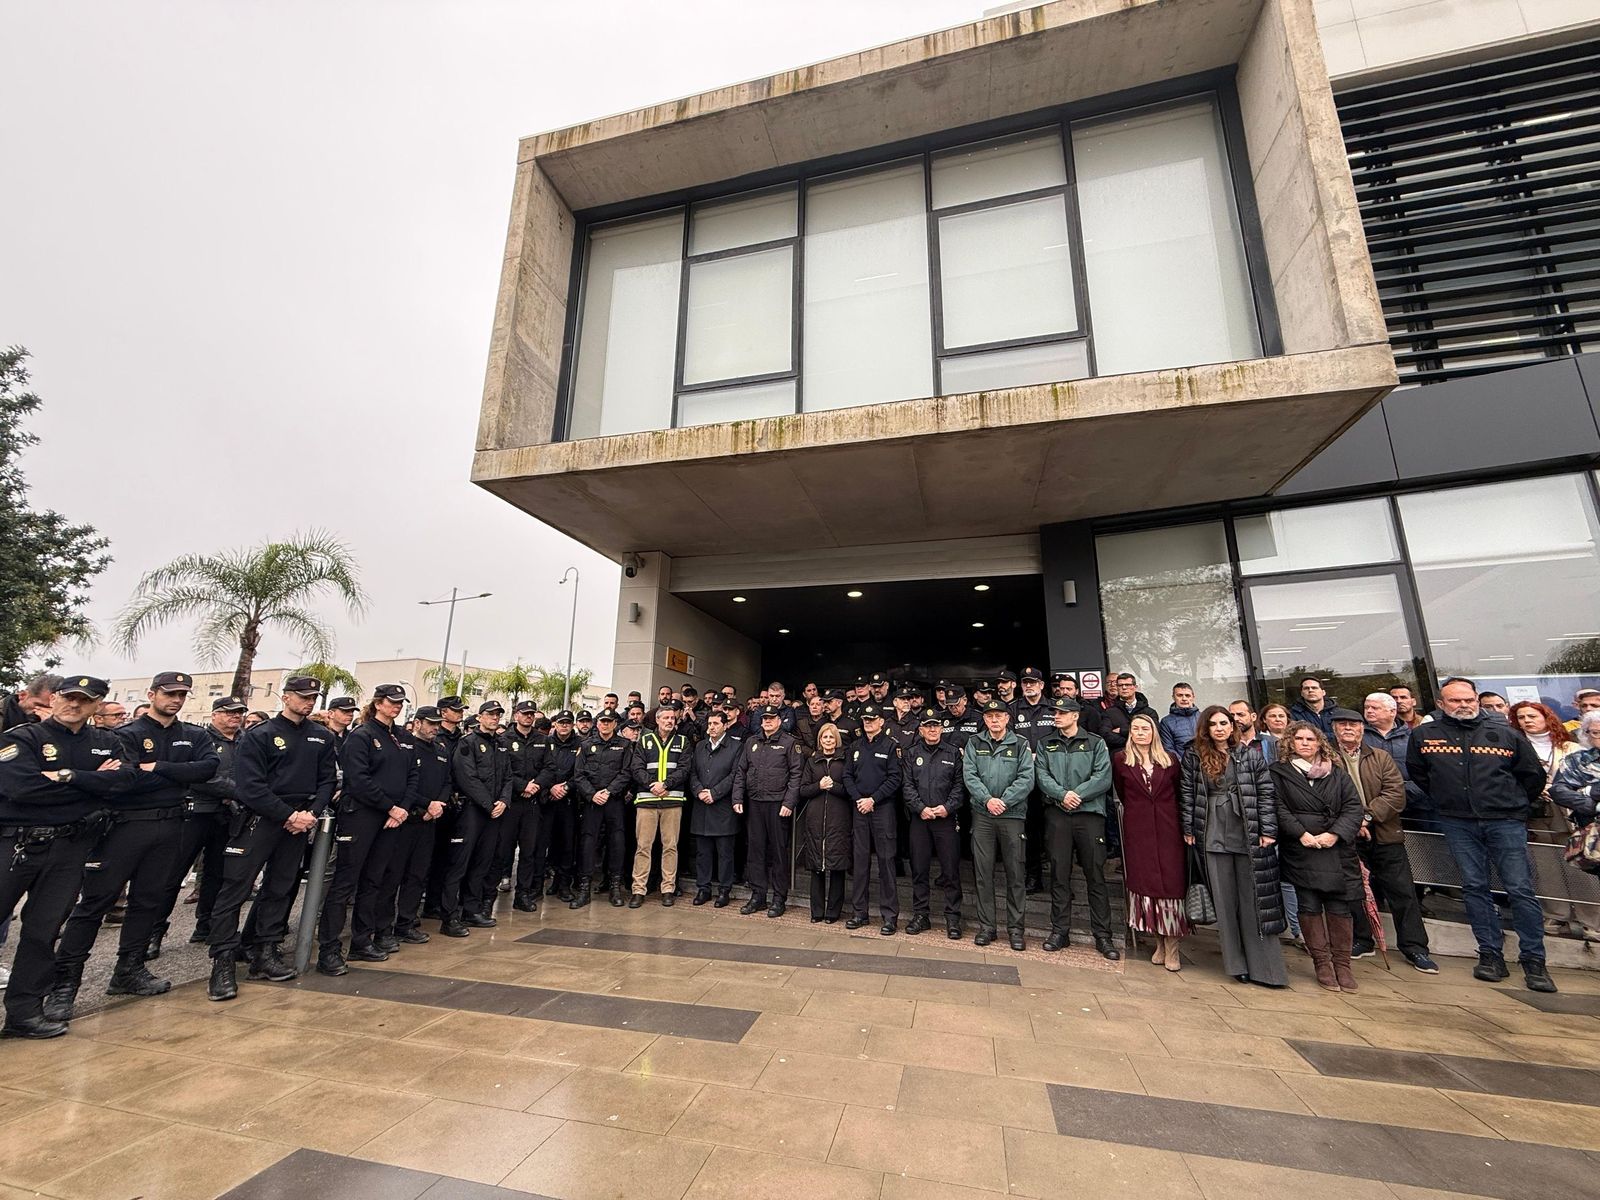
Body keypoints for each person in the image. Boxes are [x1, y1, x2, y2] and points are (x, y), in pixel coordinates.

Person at [48, 671, 218, 1019]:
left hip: (171, 824)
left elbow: (207, 769)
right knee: (95, 903)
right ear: (152, 694)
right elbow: (123, 781)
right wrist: (173, 772)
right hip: (125, 826)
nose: (176, 699)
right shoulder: (125, 734)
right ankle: (65, 982)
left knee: (149, 902)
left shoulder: (193, 734)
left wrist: (158, 767)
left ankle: (129, 969)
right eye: (169, 693)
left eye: (182, 695)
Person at [0, 675, 134, 1039]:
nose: (74, 705)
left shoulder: (108, 742)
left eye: (84, 700)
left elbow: (123, 784)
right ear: (55, 699)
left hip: (69, 849)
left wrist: (64, 776)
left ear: (97, 706)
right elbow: (20, 787)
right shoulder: (24, 737)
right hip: (16, 844)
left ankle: (24, 1013)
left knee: (43, 932)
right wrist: (89, 781)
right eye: (68, 697)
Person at [1407, 677, 1554, 993]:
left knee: (1520, 889)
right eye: (1455, 701)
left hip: (1505, 821)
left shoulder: (1505, 734)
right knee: (1474, 887)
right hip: (1458, 822)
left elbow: (1532, 776)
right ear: (1442, 704)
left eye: (1468, 699)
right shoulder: (1425, 735)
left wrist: (1511, 805)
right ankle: (1489, 954)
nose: (1463, 705)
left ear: (1476, 699)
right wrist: (1446, 800)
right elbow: (1420, 774)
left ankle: (1534, 961)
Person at [206, 674, 336, 1001]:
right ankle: (222, 961)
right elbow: (250, 785)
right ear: (285, 696)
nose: (308, 701)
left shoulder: (321, 736)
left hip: (300, 821)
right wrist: (288, 815)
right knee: (234, 890)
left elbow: (326, 781)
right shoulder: (259, 734)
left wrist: (309, 814)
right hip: (261, 820)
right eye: (302, 696)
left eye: (313, 697)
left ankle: (265, 952)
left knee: (280, 888)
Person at [1180, 706, 1287, 987]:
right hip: (1211, 830)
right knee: (1225, 902)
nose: (1219, 728)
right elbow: (1188, 793)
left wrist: (1268, 830)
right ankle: (1236, 963)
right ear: (1206, 728)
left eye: (1224, 723)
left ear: (1232, 725)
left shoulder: (1249, 755)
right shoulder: (1194, 756)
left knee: (1254, 899)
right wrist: (1189, 828)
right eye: (1213, 724)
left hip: (1247, 830)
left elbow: (1265, 793)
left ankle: (1265, 969)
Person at [315, 684, 416, 976]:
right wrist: (390, 807)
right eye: (391, 702)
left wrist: (403, 808)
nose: (396, 707)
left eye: (399, 703)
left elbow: (412, 775)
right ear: (378, 704)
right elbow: (358, 780)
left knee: (375, 880)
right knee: (345, 882)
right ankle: (329, 949)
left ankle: (362, 940)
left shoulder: (400, 737)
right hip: (362, 815)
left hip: (392, 818)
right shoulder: (362, 735)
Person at [1327, 708, 1436, 972]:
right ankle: (1362, 940)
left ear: (1363, 729)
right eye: (1342, 725)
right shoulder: (1326, 759)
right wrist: (1350, 825)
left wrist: (1365, 817)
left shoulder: (1381, 757)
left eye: (1353, 725)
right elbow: (1324, 798)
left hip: (1384, 833)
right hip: (1347, 837)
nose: (1348, 729)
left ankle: (1415, 947)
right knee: (1353, 892)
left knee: (1402, 892)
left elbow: (1395, 794)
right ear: (1333, 730)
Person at [1270, 721, 1364, 992]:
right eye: (1299, 739)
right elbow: (1277, 806)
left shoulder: (1337, 773)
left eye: (1310, 739)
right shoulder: (1280, 773)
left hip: (1336, 848)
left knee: (1340, 907)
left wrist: (1335, 834)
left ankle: (1343, 965)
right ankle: (1322, 963)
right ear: (1290, 742)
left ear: (1319, 742)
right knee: (1308, 906)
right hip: (1302, 848)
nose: (1305, 743)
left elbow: (1353, 807)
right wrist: (1300, 833)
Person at [1035, 697, 1116, 958]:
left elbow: (1103, 777)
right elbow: (1042, 775)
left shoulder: (1095, 742)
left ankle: (1103, 936)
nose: (1056, 716)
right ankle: (1060, 931)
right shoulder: (1046, 743)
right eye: (1055, 713)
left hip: (1089, 814)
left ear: (1075, 716)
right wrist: (1061, 795)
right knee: (1059, 874)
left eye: (1061, 712)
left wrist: (1077, 794)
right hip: (1058, 814)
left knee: (1095, 875)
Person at [169, 696, 248, 950]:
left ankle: (206, 926)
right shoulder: (200, 739)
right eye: (228, 712)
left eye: (239, 713)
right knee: (172, 874)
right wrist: (238, 791)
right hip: (197, 812)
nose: (235, 717)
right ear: (214, 715)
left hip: (228, 815)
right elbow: (197, 775)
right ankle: (153, 932)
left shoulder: (245, 741)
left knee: (217, 874)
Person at [1112, 712, 1188, 971]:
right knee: (1145, 884)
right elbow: (1122, 793)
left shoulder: (1170, 760)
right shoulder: (1121, 760)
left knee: (1171, 885)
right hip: (1138, 829)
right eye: (1135, 728)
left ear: (1154, 732)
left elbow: (1179, 792)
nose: (1140, 732)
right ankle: (1158, 942)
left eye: (1145, 728)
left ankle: (1173, 947)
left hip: (1168, 829)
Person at [963, 698, 1036, 951]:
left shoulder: (1021, 744)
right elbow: (969, 775)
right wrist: (987, 800)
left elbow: (1027, 778)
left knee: (1016, 875)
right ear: (984, 719)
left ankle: (1016, 930)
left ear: (1007, 718)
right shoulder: (974, 742)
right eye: (990, 716)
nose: (994, 720)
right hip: (983, 816)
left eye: (999, 716)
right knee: (983, 875)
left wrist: (1003, 801)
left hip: (1012, 816)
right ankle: (987, 928)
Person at [1511, 700, 1582, 936]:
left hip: (1569, 813)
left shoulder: (1571, 747)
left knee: (1578, 863)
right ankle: (1556, 915)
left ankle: (1592, 919)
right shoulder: (1515, 746)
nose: (1527, 721)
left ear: (1546, 717)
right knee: (1545, 865)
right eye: (1521, 717)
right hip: (1534, 812)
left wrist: (1557, 787)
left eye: (1532, 715)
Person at [382, 705, 451, 945]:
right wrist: (425, 805)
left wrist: (438, 804)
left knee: (417, 875)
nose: (435, 728)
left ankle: (406, 923)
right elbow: (404, 783)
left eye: (437, 724)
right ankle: (383, 927)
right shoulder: (406, 747)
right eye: (430, 723)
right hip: (407, 818)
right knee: (393, 875)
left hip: (430, 820)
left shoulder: (441, 750)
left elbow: (447, 782)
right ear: (417, 723)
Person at [441, 701, 511, 934]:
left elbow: (508, 777)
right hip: (472, 810)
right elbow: (466, 777)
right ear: (480, 717)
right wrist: (489, 804)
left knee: (483, 862)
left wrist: (503, 801)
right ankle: (449, 917)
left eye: (498, 715)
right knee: (459, 864)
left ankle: (471, 910)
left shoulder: (501, 744)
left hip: (494, 812)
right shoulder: (467, 743)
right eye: (490, 714)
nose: (494, 718)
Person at [733, 703, 803, 917]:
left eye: (771, 718)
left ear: (779, 721)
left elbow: (796, 775)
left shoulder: (790, 743)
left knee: (778, 853)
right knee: (755, 851)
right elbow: (741, 771)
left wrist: (789, 803)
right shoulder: (752, 742)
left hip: (778, 805)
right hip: (755, 802)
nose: (767, 722)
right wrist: (737, 797)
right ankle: (758, 896)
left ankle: (779, 898)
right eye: (764, 719)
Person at [901, 709, 964, 938]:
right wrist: (920, 808)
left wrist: (948, 807)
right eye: (928, 726)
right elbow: (907, 786)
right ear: (921, 730)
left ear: (941, 728)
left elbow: (960, 785)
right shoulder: (911, 753)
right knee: (919, 869)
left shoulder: (953, 753)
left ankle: (953, 918)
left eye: (936, 725)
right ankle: (921, 915)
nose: (932, 729)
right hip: (920, 819)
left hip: (945, 820)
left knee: (950, 871)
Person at [844, 703, 902, 933]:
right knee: (860, 862)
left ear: (881, 722)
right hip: (859, 808)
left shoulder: (890, 747)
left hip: (882, 809)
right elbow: (847, 775)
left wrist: (873, 800)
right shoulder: (855, 746)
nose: (868, 722)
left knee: (886, 862)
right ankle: (860, 913)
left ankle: (889, 916)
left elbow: (895, 778)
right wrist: (859, 798)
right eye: (865, 719)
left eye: (872, 719)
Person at [569, 709, 632, 910]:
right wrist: (591, 794)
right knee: (588, 843)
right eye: (602, 721)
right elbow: (578, 775)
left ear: (615, 724)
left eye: (609, 721)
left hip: (614, 802)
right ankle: (584, 889)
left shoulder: (624, 745)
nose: (605, 725)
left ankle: (615, 888)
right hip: (592, 802)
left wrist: (609, 791)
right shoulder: (586, 746)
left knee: (617, 843)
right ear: (597, 724)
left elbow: (626, 773)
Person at [629, 700, 690, 906]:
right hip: (647, 801)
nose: (669, 721)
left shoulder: (683, 741)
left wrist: (666, 784)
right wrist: (652, 784)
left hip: (672, 801)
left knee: (670, 847)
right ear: (657, 720)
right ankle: (638, 889)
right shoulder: (644, 741)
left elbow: (684, 768)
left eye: (673, 718)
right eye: (665, 718)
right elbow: (636, 768)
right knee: (643, 847)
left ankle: (668, 888)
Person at [797, 721, 852, 923]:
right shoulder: (812, 762)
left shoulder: (845, 760)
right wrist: (819, 786)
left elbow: (849, 789)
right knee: (816, 868)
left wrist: (833, 786)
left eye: (830, 737)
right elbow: (803, 789)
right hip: (815, 819)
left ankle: (833, 912)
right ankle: (817, 911)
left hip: (839, 820)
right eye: (824, 737)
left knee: (837, 867)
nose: (827, 741)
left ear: (835, 739)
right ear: (820, 740)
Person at [501, 701, 549, 912]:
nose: (529, 717)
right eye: (525, 714)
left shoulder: (542, 740)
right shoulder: (504, 740)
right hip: (511, 802)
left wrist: (535, 786)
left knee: (528, 852)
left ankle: (523, 895)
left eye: (531, 714)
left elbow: (550, 768)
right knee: (503, 850)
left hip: (532, 803)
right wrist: (522, 786)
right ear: (516, 716)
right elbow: (503, 770)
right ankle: (487, 899)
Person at [689, 709, 740, 906]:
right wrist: (700, 791)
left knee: (725, 853)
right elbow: (692, 772)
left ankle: (724, 890)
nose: (711, 727)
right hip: (702, 806)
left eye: (716, 724)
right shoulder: (700, 746)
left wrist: (715, 793)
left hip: (722, 807)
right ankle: (703, 888)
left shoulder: (736, 747)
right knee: (703, 852)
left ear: (725, 725)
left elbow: (735, 775)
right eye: (709, 724)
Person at [538, 711, 582, 902]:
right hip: (548, 799)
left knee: (566, 844)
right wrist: (550, 788)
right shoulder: (545, 742)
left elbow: (580, 771)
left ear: (572, 725)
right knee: (545, 843)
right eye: (561, 723)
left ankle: (564, 885)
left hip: (569, 800)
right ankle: (543, 884)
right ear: (555, 724)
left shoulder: (580, 744)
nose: (564, 726)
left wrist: (566, 787)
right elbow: (541, 768)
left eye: (568, 723)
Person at [1159, 683, 1201, 758]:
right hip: (1181, 766)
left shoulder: (1203, 717)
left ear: (1193, 697)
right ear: (1173, 697)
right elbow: (1168, 749)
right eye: (1180, 695)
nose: (1184, 699)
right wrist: (1184, 766)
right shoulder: (1166, 722)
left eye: (1187, 695)